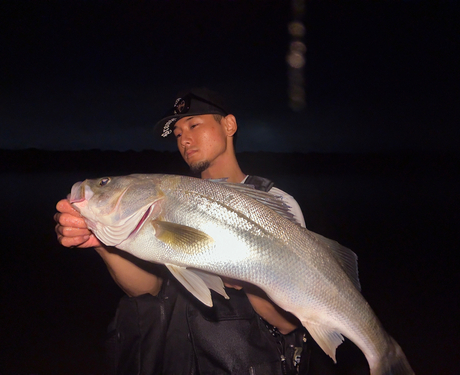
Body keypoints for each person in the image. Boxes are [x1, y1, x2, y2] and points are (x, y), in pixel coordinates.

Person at [54, 88, 329, 374]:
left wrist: (245, 277)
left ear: (229, 125)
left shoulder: (278, 206)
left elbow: (286, 323)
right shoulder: (169, 202)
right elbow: (150, 289)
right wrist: (102, 243)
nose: (184, 139)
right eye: (177, 133)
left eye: (194, 125)